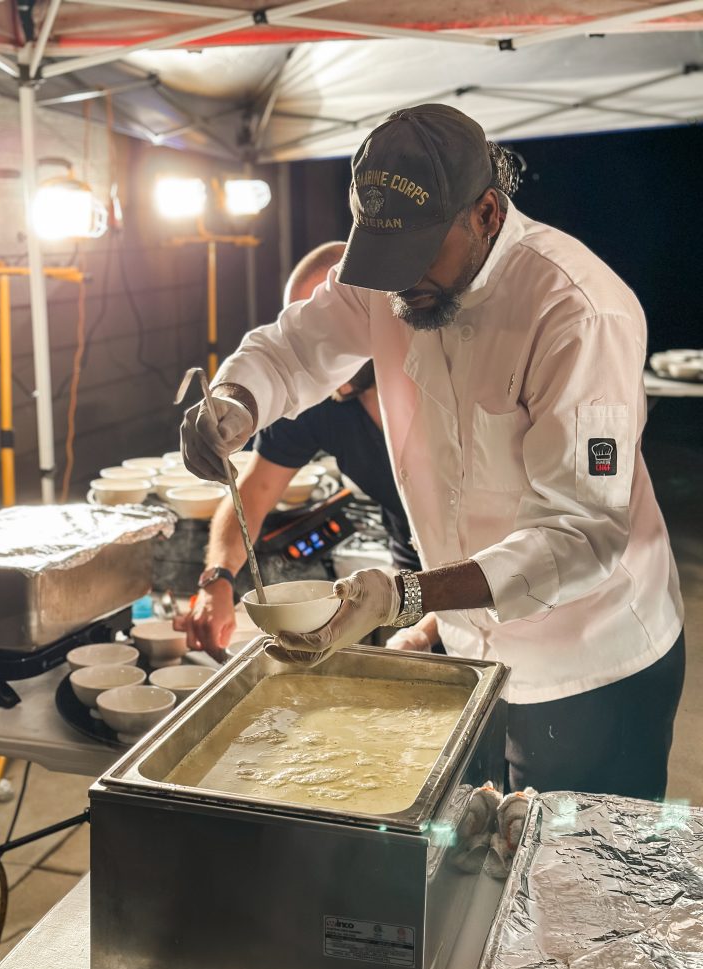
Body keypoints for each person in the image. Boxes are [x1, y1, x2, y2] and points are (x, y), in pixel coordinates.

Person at [180, 104, 685, 800]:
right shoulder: (388, 276)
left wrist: (403, 596)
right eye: (382, 258)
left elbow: (582, 534)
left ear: (486, 213)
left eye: (418, 255)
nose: (397, 283)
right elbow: (294, 345)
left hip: (591, 664)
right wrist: (235, 401)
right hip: (474, 650)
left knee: (572, 863)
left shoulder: (575, 311)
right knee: (480, 846)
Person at [174, 242, 420, 661]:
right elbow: (252, 495)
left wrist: (427, 628)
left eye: (329, 326)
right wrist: (218, 579)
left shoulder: (431, 381)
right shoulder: (318, 402)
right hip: (406, 581)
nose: (323, 347)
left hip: (486, 587)